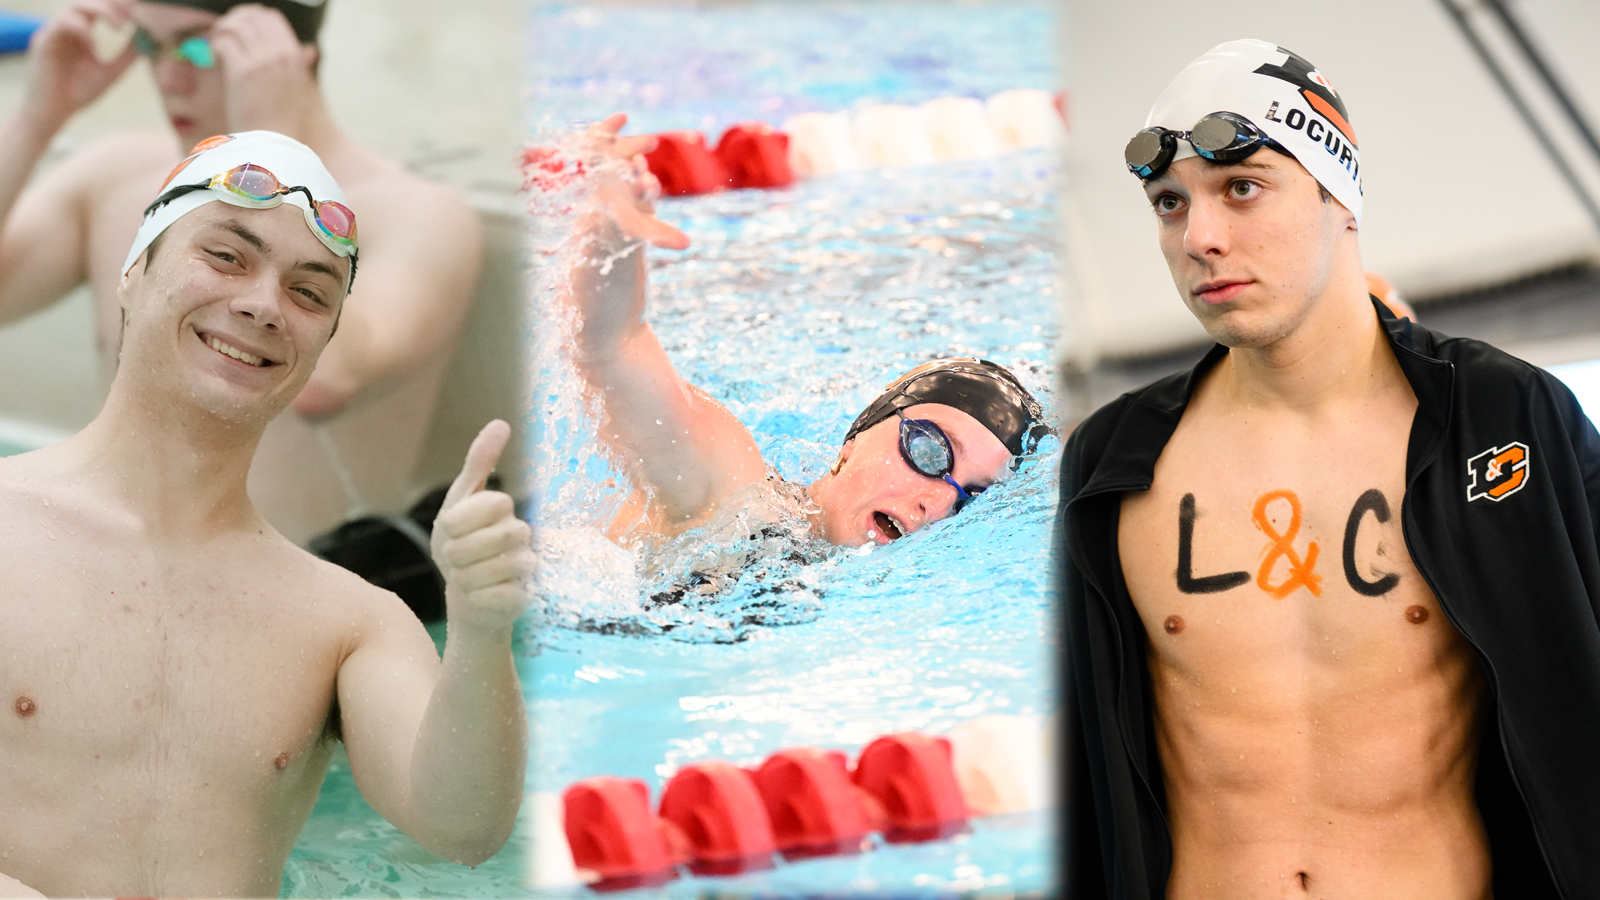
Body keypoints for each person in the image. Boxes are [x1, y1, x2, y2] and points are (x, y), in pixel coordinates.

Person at [1058, 39, 1600, 898]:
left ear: (1339, 196)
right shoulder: (1114, 462)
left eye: (1242, 189)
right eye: (1169, 204)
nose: (1199, 237)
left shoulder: (1503, 420)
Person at [0, 131, 530, 898]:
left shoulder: (348, 619)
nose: (262, 305)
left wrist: (481, 630)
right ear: (131, 272)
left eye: (310, 293)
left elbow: (465, 829)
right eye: (226, 256)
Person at [0, 0, 483, 618]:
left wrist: (277, 151)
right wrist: (36, 121)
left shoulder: (414, 215)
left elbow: (325, 381)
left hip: (298, 628)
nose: (170, 77)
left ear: (289, 54)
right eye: (153, 46)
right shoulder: (122, 180)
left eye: (202, 49)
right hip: (109, 590)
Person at [562, 114, 1053, 552]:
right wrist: (612, 236)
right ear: (854, 440)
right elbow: (611, 345)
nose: (938, 502)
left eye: (973, 499)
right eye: (930, 450)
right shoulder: (732, 501)